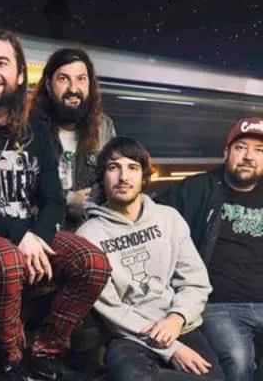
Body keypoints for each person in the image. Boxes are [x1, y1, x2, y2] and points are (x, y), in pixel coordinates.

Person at [0, 30, 111, 381]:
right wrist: (21, 236)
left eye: (1, 63)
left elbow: (53, 200)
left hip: (28, 233)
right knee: (7, 263)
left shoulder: (34, 129)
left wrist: (39, 239)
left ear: (19, 75)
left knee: (93, 264)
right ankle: (11, 360)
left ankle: (46, 349)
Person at [76, 136, 224, 381]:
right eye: (114, 167)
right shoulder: (89, 235)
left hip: (178, 325)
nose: (123, 177)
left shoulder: (169, 219)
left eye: (133, 168)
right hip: (129, 335)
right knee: (133, 376)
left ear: (144, 176)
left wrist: (176, 318)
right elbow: (110, 310)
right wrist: (171, 349)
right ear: (102, 177)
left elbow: (195, 282)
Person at [157, 117, 263, 381]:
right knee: (238, 360)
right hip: (218, 304)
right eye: (241, 148)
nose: (249, 157)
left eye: (259, 150)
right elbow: (149, 215)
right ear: (226, 153)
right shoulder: (197, 189)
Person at [30, 48, 116, 229]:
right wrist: (68, 199)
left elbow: (113, 175)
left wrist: (89, 201)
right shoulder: (28, 127)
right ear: (48, 85)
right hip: (42, 232)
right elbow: (19, 184)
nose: (73, 89)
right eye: (63, 79)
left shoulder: (103, 127)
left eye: (81, 79)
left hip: (91, 230)